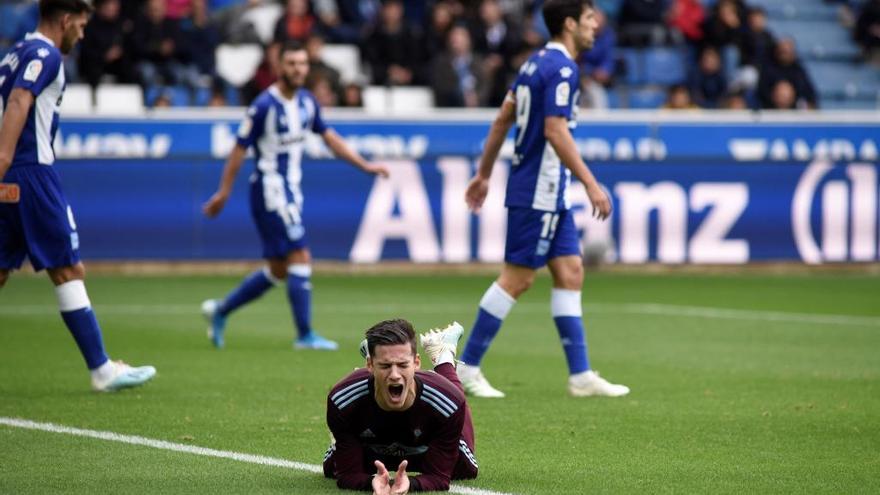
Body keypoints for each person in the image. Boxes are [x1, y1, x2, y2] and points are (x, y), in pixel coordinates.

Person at [458, 0, 629, 399]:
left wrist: (483, 173)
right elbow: (555, 130)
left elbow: (503, 118)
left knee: (570, 271)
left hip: (549, 192)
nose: (595, 25)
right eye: (589, 19)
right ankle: (466, 366)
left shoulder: (534, 64)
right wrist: (590, 182)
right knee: (518, 279)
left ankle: (581, 375)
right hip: (538, 190)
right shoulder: (564, 69)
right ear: (569, 24)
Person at [0, 0, 156, 392]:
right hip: (33, 174)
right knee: (68, 269)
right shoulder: (46, 55)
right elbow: (19, 101)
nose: (82, 34)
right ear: (66, 20)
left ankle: (103, 368)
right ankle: (102, 370)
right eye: (81, 26)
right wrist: (2, 159)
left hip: (12, 179)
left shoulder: (13, 53)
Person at [201, 41, 389, 350]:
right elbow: (238, 148)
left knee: (278, 269)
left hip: (290, 191)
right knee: (300, 255)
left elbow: (330, 138)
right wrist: (223, 192)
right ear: (279, 67)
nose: (298, 69)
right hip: (269, 190)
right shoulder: (263, 106)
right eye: (291, 63)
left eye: (302, 63)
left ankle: (220, 311)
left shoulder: (307, 102)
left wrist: (365, 166)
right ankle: (305, 335)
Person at [324, 320, 478, 493]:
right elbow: (348, 475)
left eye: (403, 365)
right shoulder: (343, 400)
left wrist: (411, 484)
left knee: (465, 468)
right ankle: (384, 357)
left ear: (416, 363)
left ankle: (443, 357)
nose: (395, 375)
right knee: (331, 469)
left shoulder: (447, 400)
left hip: (426, 445)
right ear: (369, 365)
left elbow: (439, 477)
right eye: (385, 365)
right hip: (373, 447)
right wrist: (371, 483)